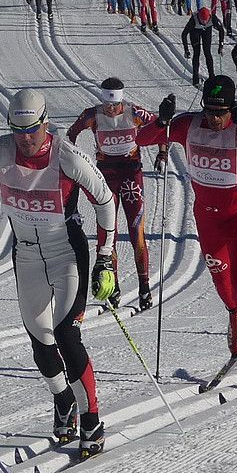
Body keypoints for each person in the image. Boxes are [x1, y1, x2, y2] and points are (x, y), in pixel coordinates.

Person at [0, 90, 116, 451]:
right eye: (17, 130)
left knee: (67, 336)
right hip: (25, 254)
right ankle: (64, 401)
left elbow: (105, 200)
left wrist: (105, 257)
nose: (24, 138)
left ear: (45, 122)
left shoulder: (66, 155)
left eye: (32, 130)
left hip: (66, 251)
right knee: (40, 340)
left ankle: (92, 421)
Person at [137, 76, 237, 391]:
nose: (215, 119)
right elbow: (143, 138)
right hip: (206, 217)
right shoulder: (190, 124)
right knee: (222, 284)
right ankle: (234, 321)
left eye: (222, 112)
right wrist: (162, 120)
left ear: (232, 109)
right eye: (211, 111)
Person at [67, 78, 163, 310]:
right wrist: (73, 160)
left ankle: (144, 288)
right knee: (109, 235)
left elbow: (161, 126)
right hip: (105, 177)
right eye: (107, 104)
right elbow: (71, 134)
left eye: (115, 105)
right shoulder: (92, 115)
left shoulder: (135, 113)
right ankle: (114, 286)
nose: (110, 109)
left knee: (136, 232)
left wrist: (162, 152)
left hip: (131, 175)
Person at [182, 7, 226, 87]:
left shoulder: (213, 17)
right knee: (196, 53)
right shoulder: (193, 19)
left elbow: (221, 30)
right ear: (199, 17)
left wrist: (221, 45)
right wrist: (186, 50)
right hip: (195, 31)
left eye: (206, 20)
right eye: (203, 20)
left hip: (207, 31)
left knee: (207, 52)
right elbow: (184, 34)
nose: (205, 22)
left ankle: (212, 76)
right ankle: (195, 78)